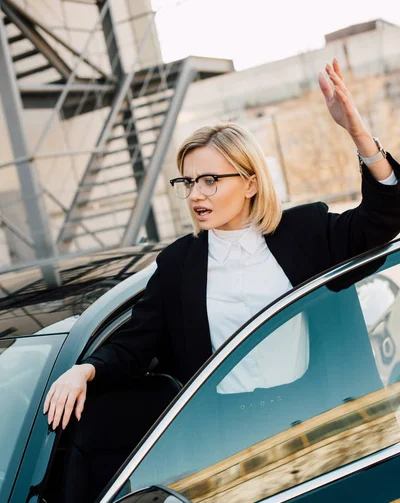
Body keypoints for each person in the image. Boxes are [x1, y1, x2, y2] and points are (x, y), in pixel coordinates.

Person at [44, 58, 400, 431]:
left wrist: (358, 134)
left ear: (250, 183)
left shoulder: (305, 231)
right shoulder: (179, 264)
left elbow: (383, 219)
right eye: (189, 182)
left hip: (320, 420)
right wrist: (84, 371)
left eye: (210, 180)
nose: (196, 194)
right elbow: (135, 343)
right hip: (226, 438)